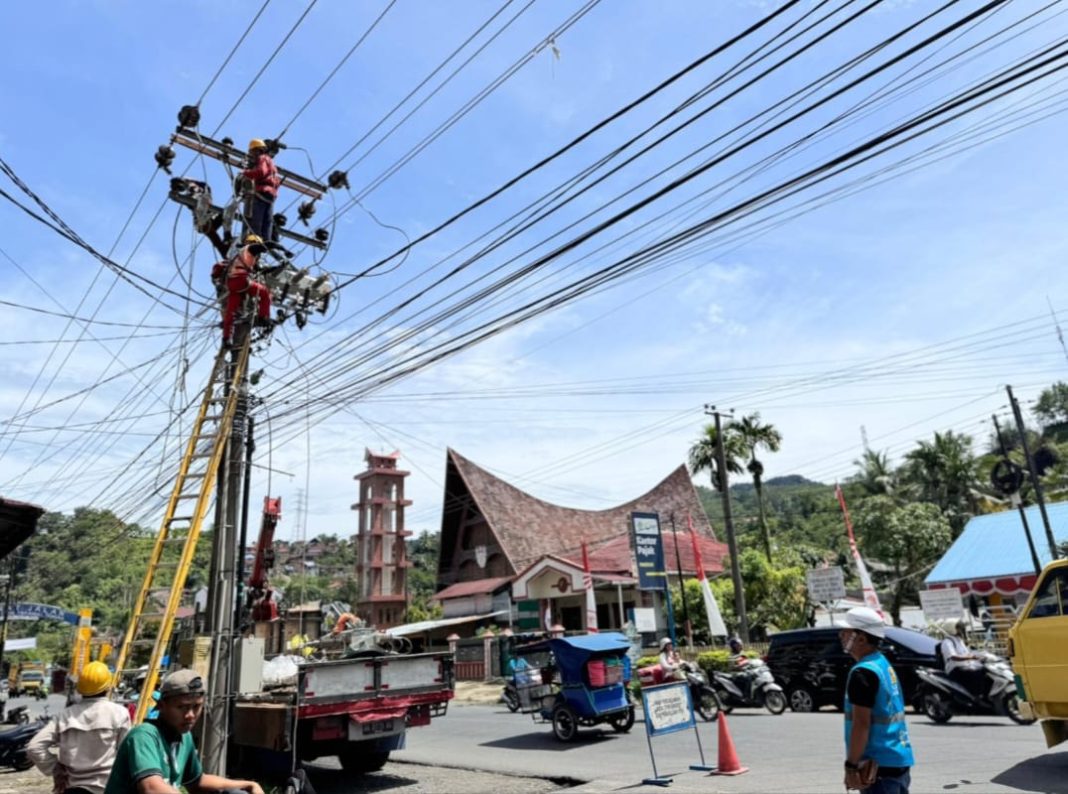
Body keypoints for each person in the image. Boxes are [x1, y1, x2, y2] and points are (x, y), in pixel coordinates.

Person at [103, 669, 264, 794]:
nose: (190, 715)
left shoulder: (183, 737)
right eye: (182, 707)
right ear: (162, 706)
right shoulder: (144, 736)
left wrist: (248, 784)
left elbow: (197, 781)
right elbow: (152, 788)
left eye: (196, 707)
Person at [27, 661, 131, 794]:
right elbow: (125, 754)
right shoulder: (119, 712)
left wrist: (55, 768)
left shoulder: (65, 715)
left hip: (72, 788)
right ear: (108, 687)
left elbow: (34, 747)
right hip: (107, 787)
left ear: (80, 688)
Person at [840, 607, 914, 794]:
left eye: (846, 632)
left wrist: (851, 765)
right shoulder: (881, 663)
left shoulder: (863, 672)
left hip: (878, 765)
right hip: (896, 758)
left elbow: (861, 724)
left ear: (862, 638)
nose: (840, 635)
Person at [211, 235, 273, 345]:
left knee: (230, 313)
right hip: (240, 282)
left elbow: (260, 270)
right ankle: (263, 317)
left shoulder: (239, 257)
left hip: (232, 286)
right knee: (264, 293)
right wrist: (273, 246)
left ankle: (226, 338)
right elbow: (258, 250)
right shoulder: (248, 251)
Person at [242, 138, 280, 242]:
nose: (252, 155)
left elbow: (261, 172)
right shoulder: (272, 164)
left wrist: (246, 173)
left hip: (262, 191)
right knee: (267, 219)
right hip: (271, 194)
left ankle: (255, 237)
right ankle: (266, 239)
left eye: (252, 151)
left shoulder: (262, 158)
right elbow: (277, 180)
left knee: (256, 217)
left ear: (257, 150)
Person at [939, 620, 986, 698]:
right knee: (976, 673)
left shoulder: (959, 640)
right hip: (955, 669)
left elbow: (967, 653)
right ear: (953, 629)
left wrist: (981, 655)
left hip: (965, 666)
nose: (962, 629)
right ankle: (976, 696)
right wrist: (971, 657)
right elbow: (953, 657)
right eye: (959, 628)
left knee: (985, 670)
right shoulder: (947, 642)